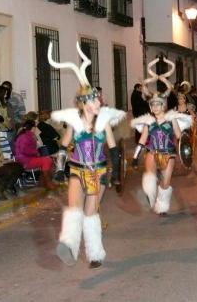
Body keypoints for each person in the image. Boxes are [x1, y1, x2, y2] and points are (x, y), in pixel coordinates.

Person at [49, 42, 125, 269]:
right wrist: (59, 170)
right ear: (83, 104)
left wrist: (114, 175)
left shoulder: (104, 124)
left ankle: (95, 253)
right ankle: (68, 246)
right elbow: (63, 147)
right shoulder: (74, 123)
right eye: (93, 99)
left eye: (98, 99)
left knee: (90, 214)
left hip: (99, 171)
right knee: (74, 210)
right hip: (76, 170)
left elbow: (113, 150)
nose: (98, 102)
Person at [131, 58, 191, 216]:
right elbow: (143, 139)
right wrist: (136, 156)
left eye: (158, 104)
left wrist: (185, 151)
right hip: (152, 152)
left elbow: (180, 137)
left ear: (163, 105)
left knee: (165, 182)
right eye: (153, 104)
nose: (155, 107)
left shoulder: (172, 119)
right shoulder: (148, 121)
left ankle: (162, 203)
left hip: (168, 153)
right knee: (150, 178)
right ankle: (150, 195)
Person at [14, 119, 56, 190]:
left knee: (49, 160)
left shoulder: (26, 135)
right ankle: (47, 182)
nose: (36, 128)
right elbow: (25, 150)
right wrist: (36, 153)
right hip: (24, 161)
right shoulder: (25, 136)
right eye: (35, 127)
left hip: (26, 158)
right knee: (47, 160)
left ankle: (43, 182)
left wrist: (36, 153)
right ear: (33, 128)